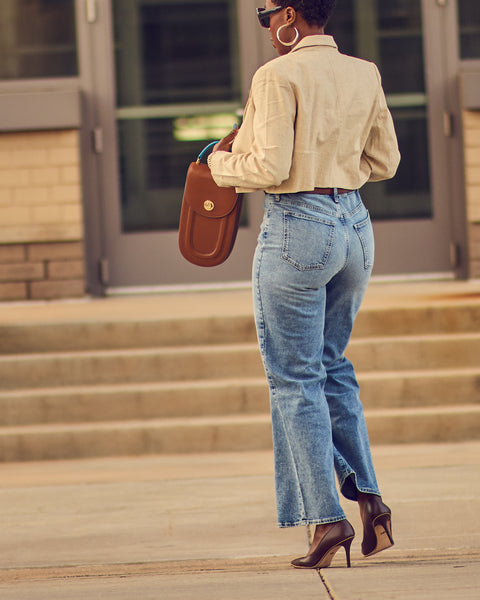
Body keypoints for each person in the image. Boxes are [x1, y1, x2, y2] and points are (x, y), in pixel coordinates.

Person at [208, 0, 400, 569]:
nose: (266, 27)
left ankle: (326, 518)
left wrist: (218, 165)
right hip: (355, 228)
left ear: (291, 14)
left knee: (295, 377)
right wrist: (337, 175)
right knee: (332, 365)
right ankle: (368, 496)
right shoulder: (364, 71)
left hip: (298, 228)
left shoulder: (277, 75)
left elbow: (266, 169)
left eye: (267, 14)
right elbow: (385, 161)